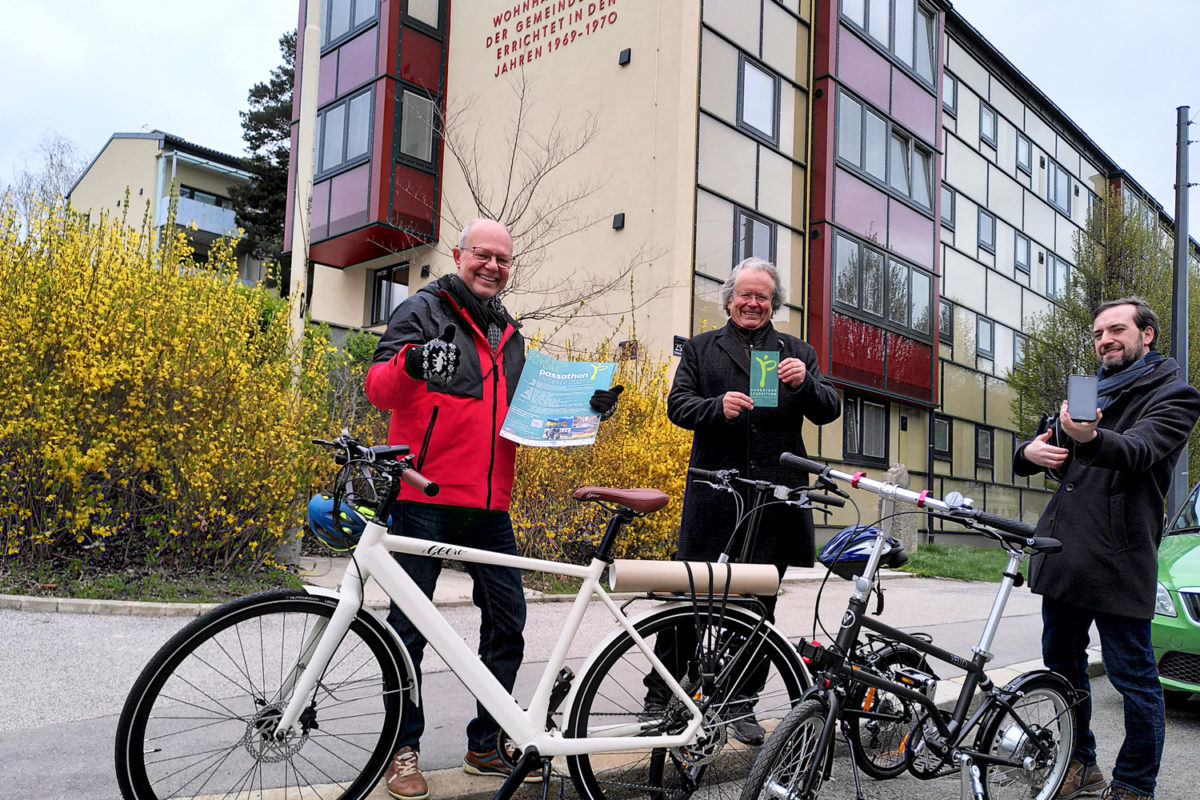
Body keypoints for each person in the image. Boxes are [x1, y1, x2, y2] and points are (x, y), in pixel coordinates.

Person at [365, 219, 621, 800]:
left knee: (508, 624)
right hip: (423, 494)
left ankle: (486, 744)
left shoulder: (509, 333)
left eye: (503, 260)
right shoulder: (421, 311)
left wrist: (587, 407)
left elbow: (528, 411)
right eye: (483, 255)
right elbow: (378, 387)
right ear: (459, 255)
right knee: (406, 630)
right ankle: (399, 751)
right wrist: (410, 364)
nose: (492, 266)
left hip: (490, 504)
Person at [1013, 297, 1200, 800]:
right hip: (1065, 549)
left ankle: (1135, 785)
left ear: (1147, 335)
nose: (1104, 341)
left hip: (1119, 555)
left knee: (1134, 679)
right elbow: (1040, 444)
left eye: (1116, 329)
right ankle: (1080, 762)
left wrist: (1091, 438)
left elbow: (1139, 450)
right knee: (1064, 668)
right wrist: (1028, 451)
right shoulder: (1088, 389)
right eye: (1097, 334)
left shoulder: (1176, 395)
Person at [661, 256, 841, 744]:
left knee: (757, 607)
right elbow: (677, 407)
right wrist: (715, 409)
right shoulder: (701, 349)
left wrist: (804, 384)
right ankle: (664, 694)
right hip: (714, 496)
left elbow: (829, 409)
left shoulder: (796, 351)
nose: (753, 303)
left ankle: (740, 703)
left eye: (762, 296)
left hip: (775, 499)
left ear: (773, 303)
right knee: (690, 597)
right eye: (745, 294)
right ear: (730, 298)